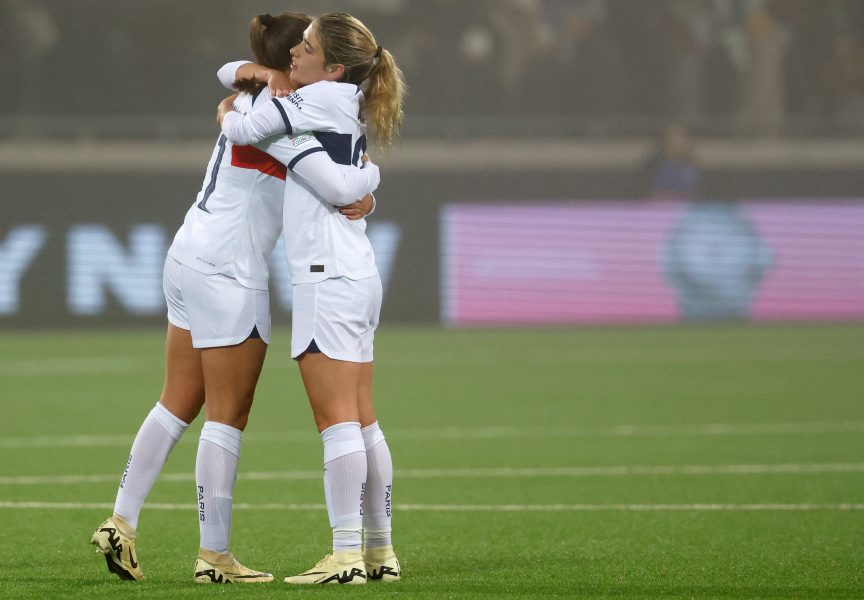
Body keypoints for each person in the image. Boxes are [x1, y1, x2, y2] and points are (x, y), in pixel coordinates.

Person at [90, 12, 381, 584]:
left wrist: (243, 77)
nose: (303, 56)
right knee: (227, 416)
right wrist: (369, 186)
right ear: (289, 66)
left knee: (177, 401)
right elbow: (338, 175)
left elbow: (232, 85)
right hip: (229, 270)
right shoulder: (285, 117)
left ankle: (121, 520)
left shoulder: (256, 100)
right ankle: (213, 556)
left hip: (187, 253)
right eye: (298, 49)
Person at [216, 12, 406, 585]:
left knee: (336, 421)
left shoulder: (314, 100)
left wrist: (229, 109)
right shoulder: (342, 98)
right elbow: (350, 178)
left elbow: (243, 132)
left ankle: (346, 555)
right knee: (364, 420)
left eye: (307, 46)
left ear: (334, 66)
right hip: (355, 269)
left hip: (326, 275)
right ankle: (379, 552)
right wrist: (253, 71)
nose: (295, 53)